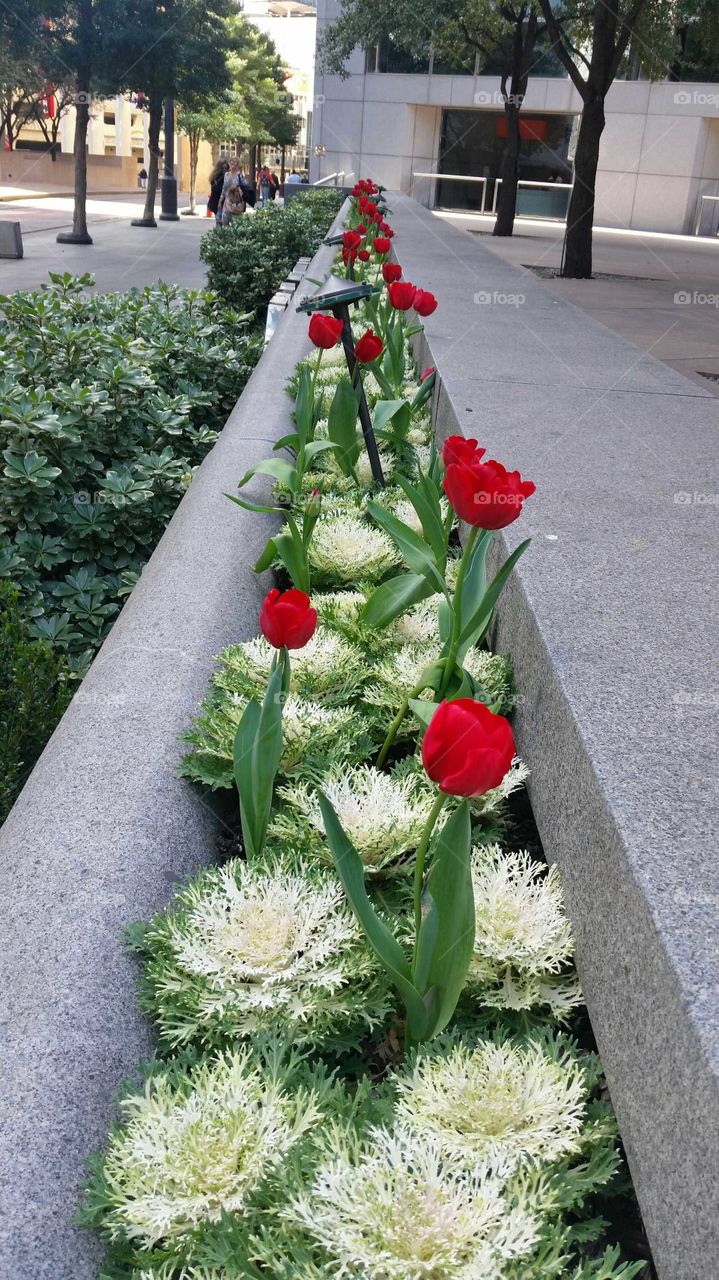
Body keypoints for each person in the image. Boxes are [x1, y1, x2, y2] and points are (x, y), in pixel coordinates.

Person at [217, 156, 242, 225]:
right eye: (231, 162)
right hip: (227, 202)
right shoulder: (226, 175)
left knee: (236, 225)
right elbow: (224, 189)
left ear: (237, 164)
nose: (232, 163)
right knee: (225, 222)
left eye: (234, 162)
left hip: (236, 202)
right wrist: (220, 200)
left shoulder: (239, 176)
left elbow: (243, 190)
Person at [207, 158, 228, 224]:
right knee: (221, 222)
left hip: (216, 201)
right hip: (220, 201)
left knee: (219, 221)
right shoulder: (222, 176)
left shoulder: (214, 176)